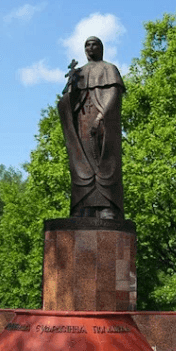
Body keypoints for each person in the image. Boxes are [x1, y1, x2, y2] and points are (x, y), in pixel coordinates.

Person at [58, 36, 125, 220]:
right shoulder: (78, 72)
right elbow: (68, 102)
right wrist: (70, 87)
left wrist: (101, 117)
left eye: (94, 44)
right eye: (87, 44)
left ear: (101, 48)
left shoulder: (108, 69)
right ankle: (83, 207)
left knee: (104, 164)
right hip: (82, 126)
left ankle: (107, 208)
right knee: (82, 165)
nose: (90, 47)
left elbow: (113, 95)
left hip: (102, 125)